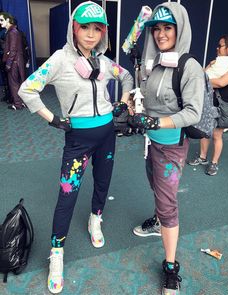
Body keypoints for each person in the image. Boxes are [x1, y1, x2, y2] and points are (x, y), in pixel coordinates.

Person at [18, 1, 133, 294]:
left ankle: (96, 218)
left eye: (97, 28)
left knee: (103, 183)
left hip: (107, 134)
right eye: (85, 27)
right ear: (74, 27)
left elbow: (127, 77)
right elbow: (26, 89)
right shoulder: (60, 59)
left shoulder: (104, 62)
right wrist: (54, 120)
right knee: (67, 197)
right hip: (77, 140)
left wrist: (124, 102)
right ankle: (57, 254)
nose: (91, 34)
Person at [128, 2, 204, 294]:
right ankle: (159, 220)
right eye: (157, 28)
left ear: (179, 29)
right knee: (156, 187)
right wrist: (136, 109)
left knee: (168, 202)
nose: (161, 34)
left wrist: (156, 123)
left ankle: (171, 267)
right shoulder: (155, 62)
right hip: (152, 143)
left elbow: (192, 113)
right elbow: (147, 99)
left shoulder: (190, 66)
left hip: (172, 147)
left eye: (167, 28)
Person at [188, 35, 228, 176]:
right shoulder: (216, 63)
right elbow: (202, 74)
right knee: (205, 131)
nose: (217, 48)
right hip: (209, 101)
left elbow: (220, 83)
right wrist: (208, 67)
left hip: (223, 105)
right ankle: (202, 157)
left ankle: (214, 163)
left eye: (220, 46)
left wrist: (203, 80)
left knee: (216, 135)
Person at [0, 12, 26, 109]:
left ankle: (18, 104)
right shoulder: (13, 32)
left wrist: (8, 64)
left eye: (2, 20)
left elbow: (13, 50)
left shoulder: (12, 32)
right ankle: (21, 102)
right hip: (17, 61)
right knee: (18, 83)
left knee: (14, 84)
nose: (0, 22)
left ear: (8, 20)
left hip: (14, 62)